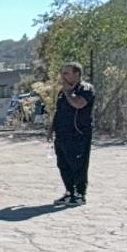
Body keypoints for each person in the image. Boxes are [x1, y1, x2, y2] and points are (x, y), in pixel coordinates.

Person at [49, 62, 95, 206]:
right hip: (62, 134)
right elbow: (58, 111)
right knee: (63, 164)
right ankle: (69, 193)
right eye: (62, 73)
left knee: (78, 165)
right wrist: (51, 129)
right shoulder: (62, 92)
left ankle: (80, 195)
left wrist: (68, 92)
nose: (63, 76)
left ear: (77, 74)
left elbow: (79, 104)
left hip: (78, 134)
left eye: (66, 73)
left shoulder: (85, 88)